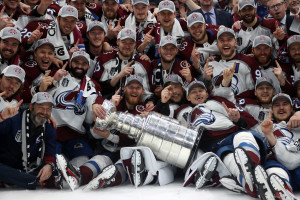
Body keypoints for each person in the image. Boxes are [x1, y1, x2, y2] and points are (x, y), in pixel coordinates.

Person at [55, 75, 156, 190]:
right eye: (131, 87)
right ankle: (78, 176)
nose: (134, 90)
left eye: (138, 88)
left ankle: (107, 180)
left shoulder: (146, 111)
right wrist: (109, 107)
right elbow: (95, 132)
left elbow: (134, 139)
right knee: (99, 160)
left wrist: (110, 136)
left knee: (124, 164)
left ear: (143, 91)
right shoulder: (113, 104)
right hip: (109, 150)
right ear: (124, 89)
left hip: (131, 153)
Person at [47, 50, 106, 167]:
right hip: (53, 132)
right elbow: (38, 91)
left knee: (82, 163)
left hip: (76, 134)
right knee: (54, 163)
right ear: (70, 63)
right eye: (76, 62)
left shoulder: (91, 84)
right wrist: (53, 80)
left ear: (88, 66)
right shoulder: (58, 75)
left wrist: (95, 103)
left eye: (83, 63)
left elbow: (97, 97)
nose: (79, 66)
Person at [0, 92, 56, 190]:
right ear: (31, 107)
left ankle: (16, 180)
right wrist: (1, 118)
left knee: (56, 165)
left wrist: (49, 165)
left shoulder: (49, 126)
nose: (44, 112)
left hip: (29, 168)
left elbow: (50, 150)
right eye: (41, 107)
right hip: (6, 165)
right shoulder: (14, 119)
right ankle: (33, 181)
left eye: (48, 109)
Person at [92, 28, 154, 103]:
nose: (127, 46)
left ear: (135, 44)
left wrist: (150, 102)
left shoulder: (144, 64)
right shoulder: (104, 60)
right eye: (124, 42)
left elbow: (147, 94)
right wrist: (119, 76)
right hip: (108, 105)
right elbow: (97, 88)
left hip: (134, 109)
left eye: (131, 43)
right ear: (118, 42)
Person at [260, 93, 299, 199]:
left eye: (285, 104)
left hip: (298, 170)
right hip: (277, 166)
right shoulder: (264, 126)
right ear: (271, 110)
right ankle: (281, 189)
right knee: (273, 167)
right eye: (277, 105)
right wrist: (268, 134)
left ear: (291, 109)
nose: (281, 108)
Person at [21, 5, 85, 62]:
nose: (68, 24)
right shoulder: (42, 28)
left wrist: (72, 58)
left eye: (72, 21)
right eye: (65, 20)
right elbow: (18, 48)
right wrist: (29, 41)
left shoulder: (78, 33)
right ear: (58, 19)